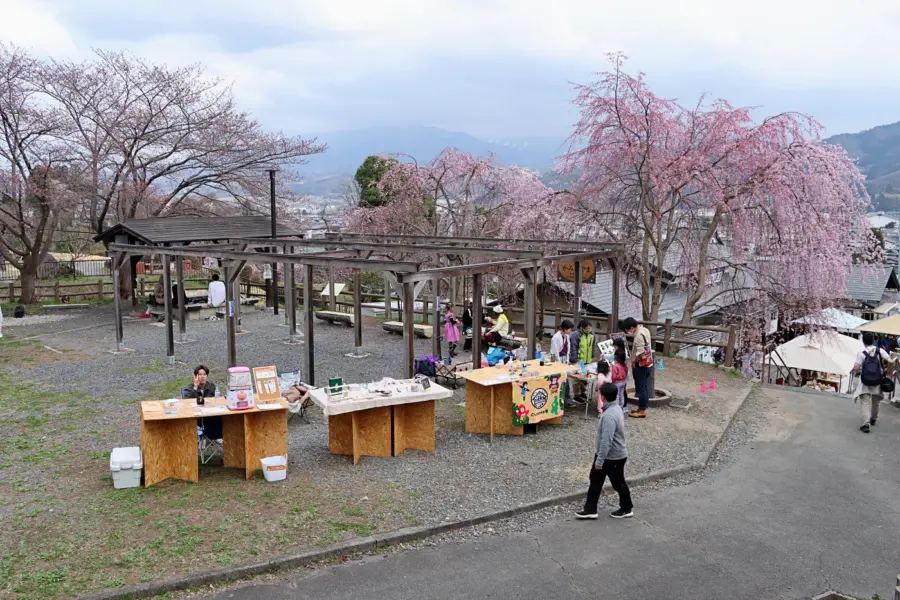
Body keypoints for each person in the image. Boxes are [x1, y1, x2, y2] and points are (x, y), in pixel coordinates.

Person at [576, 382, 633, 520]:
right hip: (611, 455)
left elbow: (606, 441)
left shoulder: (608, 416)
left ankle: (626, 508)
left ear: (603, 396)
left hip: (612, 457)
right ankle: (590, 509)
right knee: (595, 480)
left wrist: (599, 460)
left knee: (618, 482)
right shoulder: (616, 408)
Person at [852, 332, 895, 433]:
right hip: (877, 380)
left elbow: (856, 368)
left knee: (865, 402)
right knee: (876, 400)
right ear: (873, 341)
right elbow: (890, 360)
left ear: (863, 342)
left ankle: (865, 425)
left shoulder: (861, 354)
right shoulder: (880, 351)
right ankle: (873, 419)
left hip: (865, 382)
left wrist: (859, 369)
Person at [623, 317, 652, 418]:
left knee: (641, 387)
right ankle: (641, 407)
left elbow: (641, 353)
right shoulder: (644, 329)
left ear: (631, 327)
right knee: (644, 386)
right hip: (648, 363)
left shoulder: (639, 335)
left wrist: (633, 361)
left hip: (641, 365)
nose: (627, 332)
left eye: (627, 329)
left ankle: (642, 410)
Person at [183, 365, 222, 440]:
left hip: (210, 414)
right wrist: (195, 387)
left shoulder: (211, 386)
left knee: (221, 417)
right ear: (195, 376)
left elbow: (219, 399)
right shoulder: (190, 388)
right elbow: (185, 402)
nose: (202, 376)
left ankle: (216, 436)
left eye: (204, 374)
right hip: (198, 417)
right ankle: (210, 436)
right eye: (200, 374)